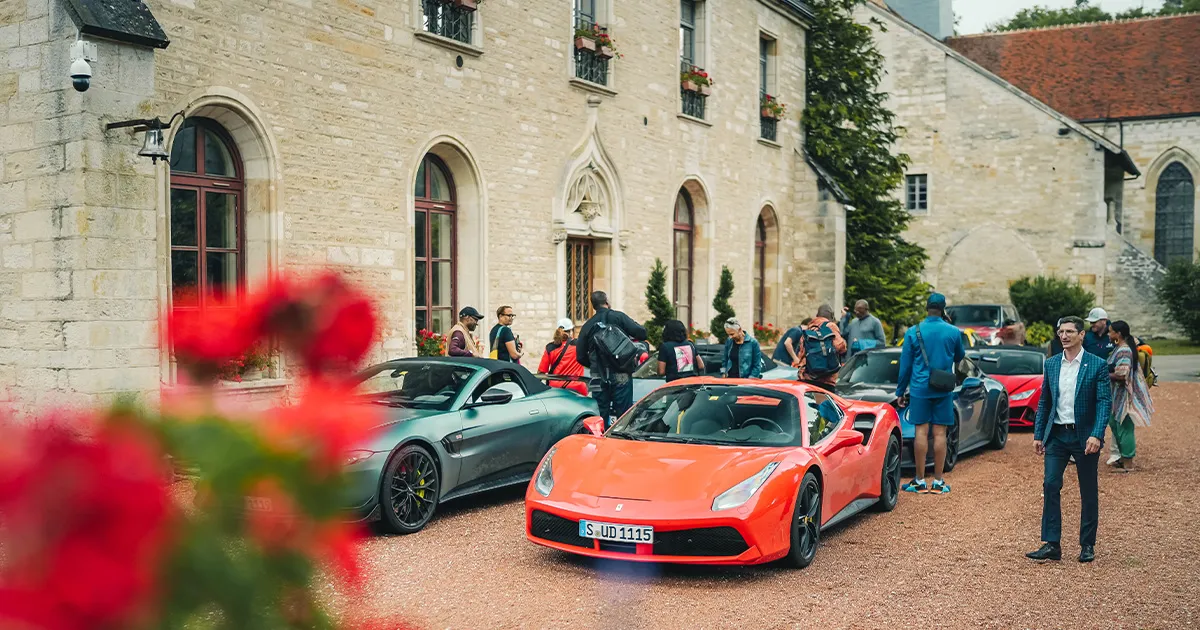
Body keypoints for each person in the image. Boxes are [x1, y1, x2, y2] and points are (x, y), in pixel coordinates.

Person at [1026, 316, 1112, 564]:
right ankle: (1051, 543)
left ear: (1081, 335)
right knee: (1051, 484)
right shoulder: (1052, 364)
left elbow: (1104, 402)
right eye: (1060, 331)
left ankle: (1087, 544)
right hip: (1057, 435)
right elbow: (1045, 401)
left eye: (1069, 332)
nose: (1063, 336)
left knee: (1088, 489)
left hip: (1084, 435)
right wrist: (1039, 434)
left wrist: (1097, 434)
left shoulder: (1096, 365)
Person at [895, 293, 965, 495]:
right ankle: (938, 481)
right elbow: (960, 356)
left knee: (921, 432)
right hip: (942, 388)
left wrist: (901, 391)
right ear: (943, 310)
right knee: (940, 433)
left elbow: (905, 365)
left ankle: (919, 480)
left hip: (919, 388)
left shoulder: (913, 332)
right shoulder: (952, 331)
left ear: (927, 308)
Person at [576, 291, 647, 426]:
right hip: (621, 372)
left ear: (593, 306)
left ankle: (600, 442)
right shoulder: (619, 317)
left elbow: (580, 356)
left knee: (599, 417)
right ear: (607, 302)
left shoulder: (588, 325)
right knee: (623, 416)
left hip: (597, 376)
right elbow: (642, 333)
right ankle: (621, 442)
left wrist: (594, 365)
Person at [1105, 320, 1154, 472]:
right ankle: (1122, 458)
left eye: (1110, 331)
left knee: (1125, 427)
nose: (1108, 334)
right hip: (1117, 395)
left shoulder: (1124, 350)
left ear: (1118, 334)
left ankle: (1128, 463)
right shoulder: (1120, 348)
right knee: (1115, 423)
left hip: (1125, 396)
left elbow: (1122, 374)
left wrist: (1103, 375)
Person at [792, 305, 847, 391]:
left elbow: (801, 353)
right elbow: (840, 347)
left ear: (817, 315)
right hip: (826, 378)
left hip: (808, 377)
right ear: (831, 316)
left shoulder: (808, 329)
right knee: (826, 403)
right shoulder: (831, 326)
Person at [537, 318, 587, 396]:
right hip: (577, 388)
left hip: (555, 390)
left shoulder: (550, 348)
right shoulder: (579, 345)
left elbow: (541, 372)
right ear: (571, 331)